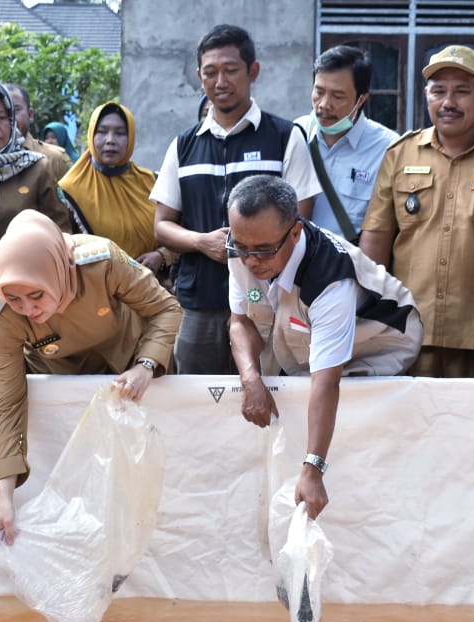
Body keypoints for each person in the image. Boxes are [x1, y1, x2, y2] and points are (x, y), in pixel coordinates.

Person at [228, 176, 422, 518]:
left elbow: (327, 381)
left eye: (262, 251)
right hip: (300, 343)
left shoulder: (331, 278)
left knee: (358, 447)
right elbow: (241, 320)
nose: (250, 262)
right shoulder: (244, 244)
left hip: (377, 345)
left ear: (295, 233)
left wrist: (313, 470)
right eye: (241, 248)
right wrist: (251, 380)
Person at [0, 210, 182, 544]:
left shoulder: (101, 261)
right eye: (14, 297)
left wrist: (146, 365)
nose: (28, 309)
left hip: (130, 360)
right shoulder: (3, 315)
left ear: (60, 270)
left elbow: (167, 309)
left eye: (36, 295)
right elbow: (10, 402)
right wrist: (5, 497)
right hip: (62, 380)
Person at [360, 45, 474, 378]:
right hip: (408, 331)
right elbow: (375, 245)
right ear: (427, 96)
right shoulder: (400, 155)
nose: (448, 102)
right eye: (438, 91)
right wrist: (369, 316)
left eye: (462, 92)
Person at [151, 23, 320, 375]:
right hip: (199, 302)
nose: (220, 81)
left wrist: (250, 250)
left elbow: (300, 224)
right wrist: (201, 242)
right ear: (200, 76)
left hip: (267, 301)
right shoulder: (184, 145)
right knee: (198, 405)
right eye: (210, 72)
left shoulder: (285, 137)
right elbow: (162, 227)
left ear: (252, 71)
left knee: (268, 400)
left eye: (231, 70)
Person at [0, 80, 74, 254]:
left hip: (28, 276)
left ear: (11, 121)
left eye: (1, 117)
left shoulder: (37, 168)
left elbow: (61, 235)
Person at [295, 45, 399, 243]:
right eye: (319, 92)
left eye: (338, 96)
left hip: (351, 267)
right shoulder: (296, 133)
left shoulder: (388, 149)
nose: (324, 104)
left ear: (361, 100)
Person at [57, 102, 168, 275]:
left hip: (153, 290)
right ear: (92, 135)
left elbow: (176, 230)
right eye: (102, 131)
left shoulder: (152, 182)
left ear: (131, 137)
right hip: (97, 295)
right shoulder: (70, 189)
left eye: (120, 133)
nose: (110, 140)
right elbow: (63, 252)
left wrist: (161, 255)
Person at [5, 83, 74, 179]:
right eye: (2, 111)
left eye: (16, 109)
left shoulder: (54, 158)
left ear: (30, 114)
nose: (9, 117)